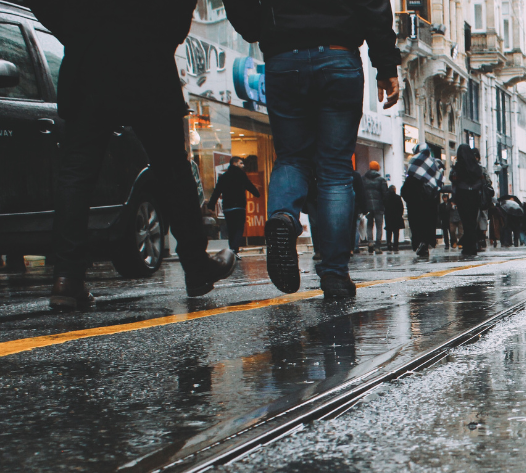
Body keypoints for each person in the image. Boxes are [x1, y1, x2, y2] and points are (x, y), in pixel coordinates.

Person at [34, 0, 237, 309]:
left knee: (76, 171)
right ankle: (196, 266)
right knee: (171, 166)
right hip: (146, 55)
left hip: (89, 57)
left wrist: (77, 32)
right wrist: (161, 35)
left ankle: (67, 276)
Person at [224, 0, 400, 300]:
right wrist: (384, 64)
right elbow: (374, 5)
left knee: (291, 158)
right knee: (335, 170)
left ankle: (283, 218)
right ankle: (334, 274)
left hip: (283, 56)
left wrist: (257, 26)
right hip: (338, 53)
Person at [206, 156, 261, 253]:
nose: (243, 165)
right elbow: (249, 186)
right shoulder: (241, 175)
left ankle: (232, 250)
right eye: (241, 163)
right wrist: (257, 194)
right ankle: (234, 249)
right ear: (234, 163)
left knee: (231, 229)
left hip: (228, 207)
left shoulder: (223, 177)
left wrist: (211, 205)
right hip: (239, 206)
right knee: (239, 228)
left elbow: (217, 191)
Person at [449, 145, 491, 258]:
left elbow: (453, 181)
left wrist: (454, 197)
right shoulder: (476, 167)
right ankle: (472, 245)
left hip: (462, 196)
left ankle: (468, 246)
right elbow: (483, 182)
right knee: (473, 221)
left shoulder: (458, 166)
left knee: (465, 221)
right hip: (475, 196)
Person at [403, 143, 443, 258]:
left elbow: (409, 180)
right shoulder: (435, 163)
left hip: (415, 199)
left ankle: (419, 243)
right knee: (428, 222)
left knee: (416, 222)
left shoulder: (413, 161)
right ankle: (425, 243)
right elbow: (438, 182)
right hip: (429, 199)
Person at [362, 161, 389, 250]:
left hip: (368, 206)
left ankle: (370, 242)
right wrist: (385, 206)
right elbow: (385, 194)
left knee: (369, 225)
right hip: (379, 207)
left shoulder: (364, 179)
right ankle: (378, 246)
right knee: (379, 226)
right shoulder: (381, 180)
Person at [384, 184, 405, 250]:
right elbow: (401, 208)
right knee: (396, 232)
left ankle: (389, 244)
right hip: (396, 217)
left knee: (389, 231)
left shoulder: (385, 198)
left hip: (388, 216)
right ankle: (395, 245)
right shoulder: (398, 197)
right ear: (394, 190)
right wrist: (400, 215)